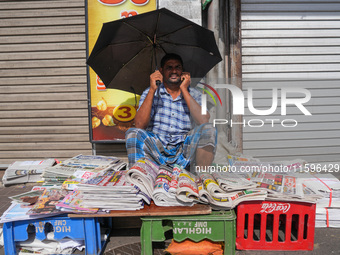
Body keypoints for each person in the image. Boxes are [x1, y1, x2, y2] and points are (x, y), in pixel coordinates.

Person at [125, 53, 217, 171]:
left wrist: (184, 89)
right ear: (161, 71)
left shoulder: (194, 94)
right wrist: (153, 89)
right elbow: (139, 125)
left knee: (209, 129)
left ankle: (202, 176)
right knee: (133, 133)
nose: (174, 71)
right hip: (157, 149)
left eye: (177, 67)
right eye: (169, 68)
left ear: (183, 72)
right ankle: (139, 179)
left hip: (184, 150)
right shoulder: (151, 92)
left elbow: (204, 120)